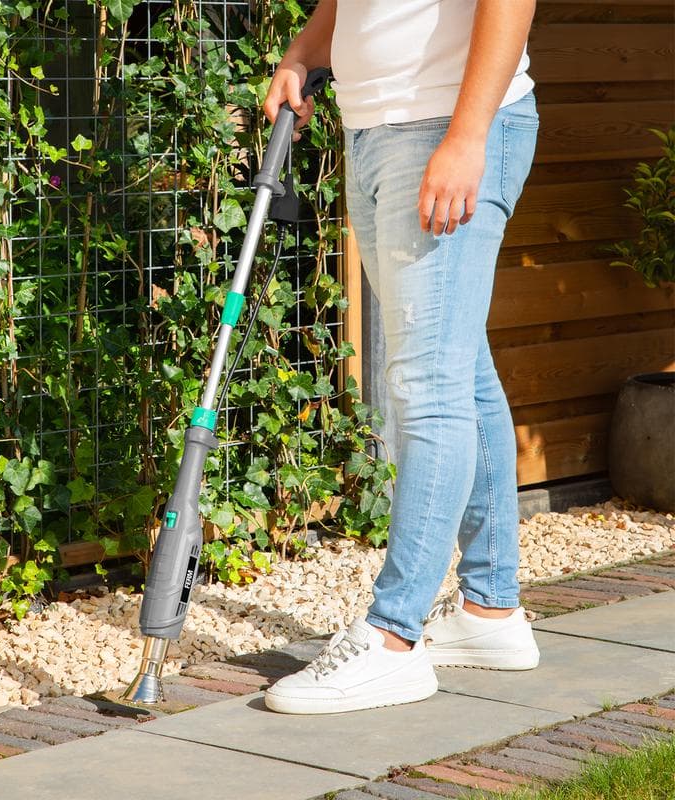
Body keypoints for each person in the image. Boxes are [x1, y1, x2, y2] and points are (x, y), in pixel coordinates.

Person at [262, 0, 541, 715]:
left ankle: (393, 641)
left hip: (443, 128)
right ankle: (490, 612)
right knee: (459, 367)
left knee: (428, 385)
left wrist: (467, 134)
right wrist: (302, 52)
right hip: (378, 129)